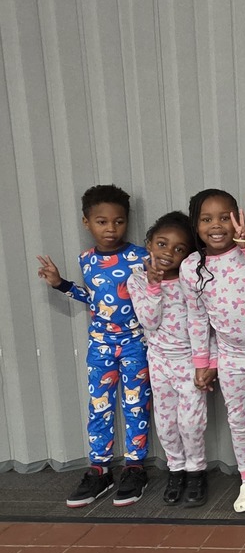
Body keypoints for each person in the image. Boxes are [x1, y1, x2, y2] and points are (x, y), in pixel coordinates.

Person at [37, 184, 152, 508]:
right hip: (100, 346)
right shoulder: (86, 260)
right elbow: (94, 299)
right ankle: (99, 469)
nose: (111, 229)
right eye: (102, 222)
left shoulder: (140, 257)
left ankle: (134, 467)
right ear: (87, 222)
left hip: (134, 344)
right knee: (99, 407)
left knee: (135, 405)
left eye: (118, 221)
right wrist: (61, 284)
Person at [180, 189, 245, 513]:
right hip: (231, 358)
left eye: (224, 217)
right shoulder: (191, 267)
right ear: (195, 225)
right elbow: (197, 318)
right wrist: (202, 363)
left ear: (237, 217)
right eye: (207, 219)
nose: (217, 225)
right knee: (240, 421)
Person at [126, 212, 209, 506]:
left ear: (189, 255)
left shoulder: (192, 281)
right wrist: (153, 285)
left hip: (188, 362)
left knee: (191, 422)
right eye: (162, 244)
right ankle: (176, 470)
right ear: (149, 244)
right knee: (166, 423)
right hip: (159, 361)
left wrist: (205, 364)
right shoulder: (136, 281)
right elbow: (149, 321)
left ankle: (196, 471)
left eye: (179, 249)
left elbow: (202, 322)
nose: (168, 253)